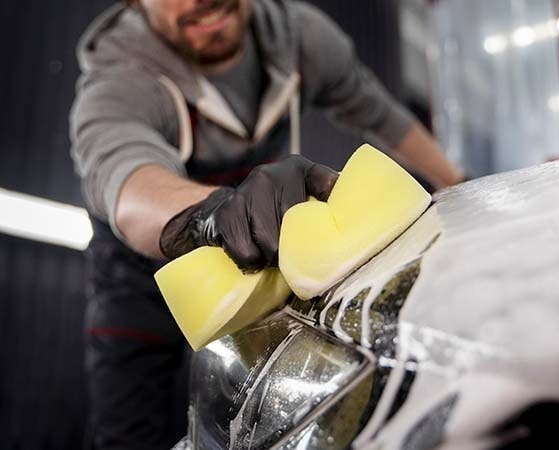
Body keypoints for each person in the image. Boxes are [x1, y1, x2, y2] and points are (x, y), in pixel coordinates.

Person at [69, 0, 464, 448]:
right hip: (144, 270)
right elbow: (125, 181)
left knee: (265, 413)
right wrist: (211, 215)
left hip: (252, 252)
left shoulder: (298, 36)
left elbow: (375, 110)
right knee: (127, 428)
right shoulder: (121, 76)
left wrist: (461, 182)